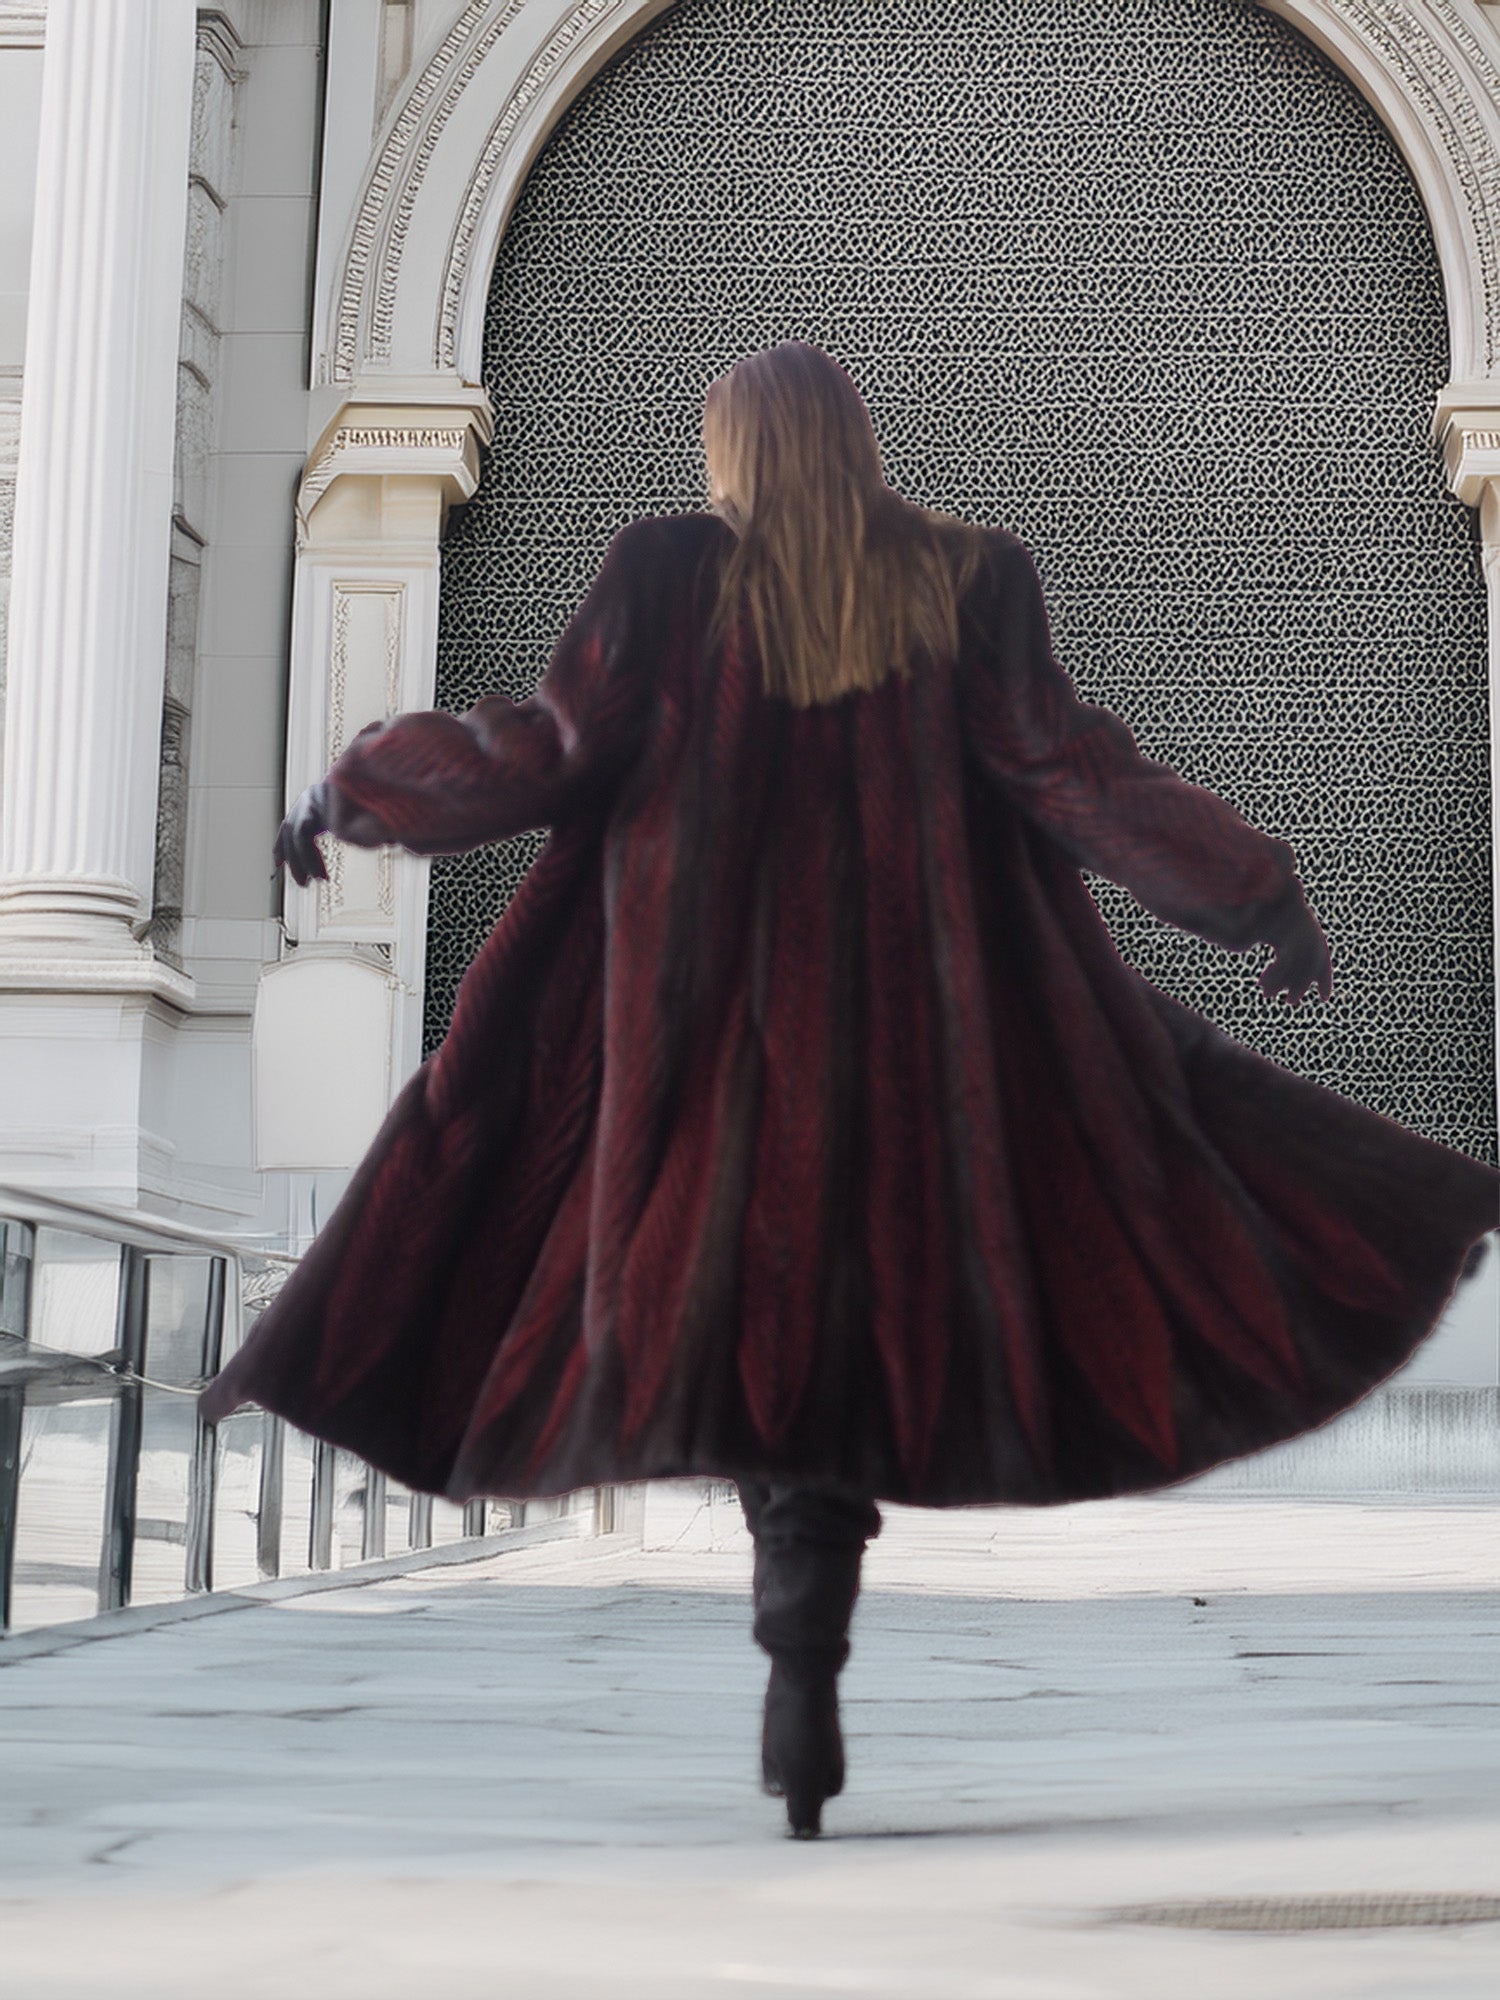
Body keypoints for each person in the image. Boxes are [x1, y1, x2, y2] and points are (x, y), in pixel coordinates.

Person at [200, 339, 1499, 1838]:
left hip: (698, 1052)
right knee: (853, 1341)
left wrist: (361, 786)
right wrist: (1253, 889)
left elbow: (543, 750)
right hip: (913, 1069)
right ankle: (809, 1655)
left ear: (736, 452)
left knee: (750, 1341)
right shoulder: (966, 580)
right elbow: (1072, 772)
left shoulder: (668, 578)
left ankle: (794, 1656)